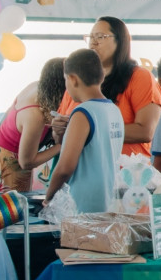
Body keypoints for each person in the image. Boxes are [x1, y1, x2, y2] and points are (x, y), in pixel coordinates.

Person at [52, 16, 161, 157]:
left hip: (125, 172)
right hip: (81, 172)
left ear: (120, 41)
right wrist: (58, 130)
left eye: (100, 37)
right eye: (90, 37)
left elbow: (145, 132)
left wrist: (87, 128)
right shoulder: (77, 79)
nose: (93, 42)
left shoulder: (140, 77)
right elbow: (61, 140)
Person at [44, 49, 124, 213]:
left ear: (72, 79)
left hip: (82, 207)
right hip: (107, 202)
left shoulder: (82, 113)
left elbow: (65, 168)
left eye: (65, 79)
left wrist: (48, 197)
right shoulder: (114, 110)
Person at [0, 57, 65, 194]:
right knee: (8, 212)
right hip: (8, 166)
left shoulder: (36, 87)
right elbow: (27, 162)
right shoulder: (35, 115)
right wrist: (63, 146)